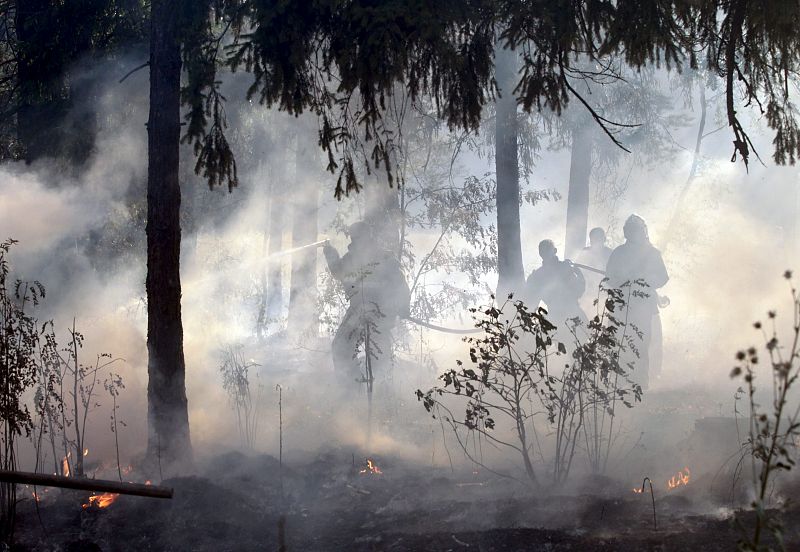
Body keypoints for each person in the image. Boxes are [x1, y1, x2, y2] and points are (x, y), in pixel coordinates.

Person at [323, 221, 410, 381]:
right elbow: (339, 272)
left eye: (356, 237)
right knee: (345, 348)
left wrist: (404, 308)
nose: (355, 241)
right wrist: (330, 253)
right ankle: (355, 388)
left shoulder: (382, 257)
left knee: (370, 353)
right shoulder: (359, 257)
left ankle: (369, 390)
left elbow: (399, 284)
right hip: (367, 312)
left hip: (374, 313)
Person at [605, 215, 668, 390]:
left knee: (641, 343)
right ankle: (619, 382)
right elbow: (609, 277)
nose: (635, 233)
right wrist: (623, 281)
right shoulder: (618, 253)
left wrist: (646, 280)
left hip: (643, 307)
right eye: (632, 230)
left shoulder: (652, 253)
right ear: (627, 232)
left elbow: (663, 277)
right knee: (620, 343)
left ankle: (641, 384)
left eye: (637, 230)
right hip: (621, 306)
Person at [525, 240, 587, 341]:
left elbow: (531, 302)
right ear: (554, 250)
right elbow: (580, 289)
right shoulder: (565, 267)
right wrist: (576, 271)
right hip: (566, 313)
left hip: (560, 315)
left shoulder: (537, 275)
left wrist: (575, 270)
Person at [576, 227, 613, 314]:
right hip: (586, 292)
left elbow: (614, 274)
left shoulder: (610, 254)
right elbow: (577, 270)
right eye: (594, 239)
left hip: (605, 292)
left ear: (604, 239)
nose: (596, 241)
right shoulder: (584, 252)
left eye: (598, 238)